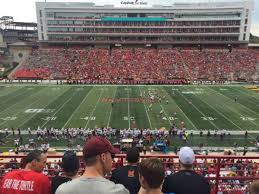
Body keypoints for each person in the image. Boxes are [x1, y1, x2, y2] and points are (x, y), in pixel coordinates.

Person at [56, 136, 129, 194]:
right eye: (112, 155)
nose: (112, 159)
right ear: (103, 157)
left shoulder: (62, 190)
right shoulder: (118, 191)